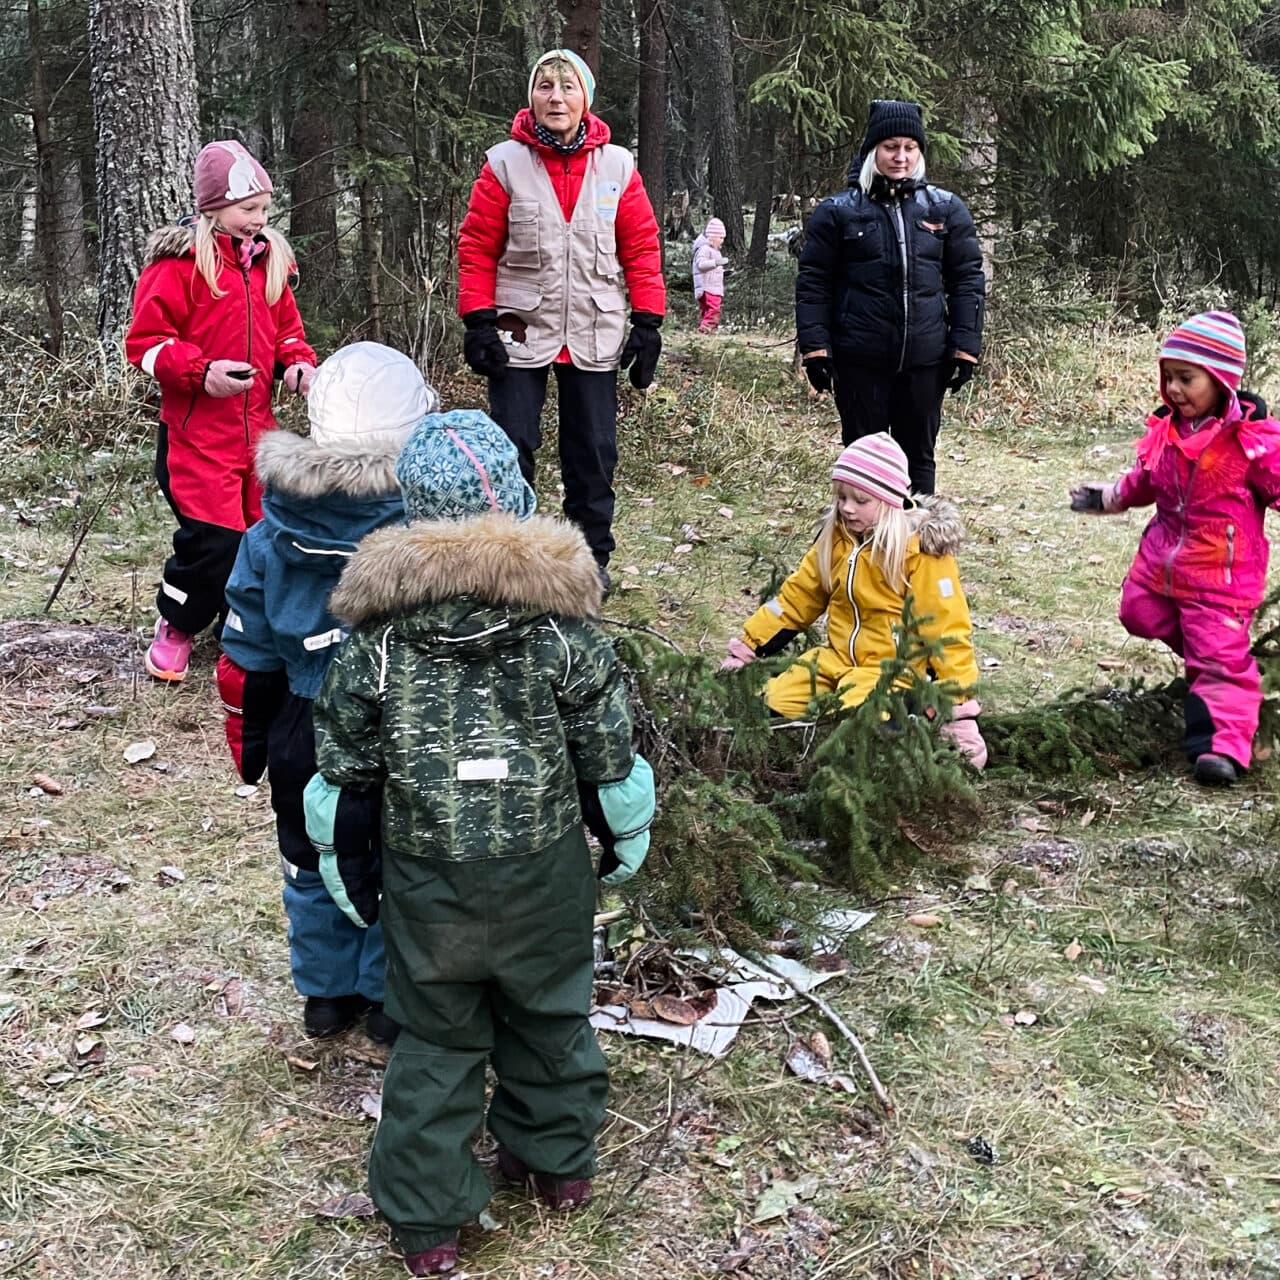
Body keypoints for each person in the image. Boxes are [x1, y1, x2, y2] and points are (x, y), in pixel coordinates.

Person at [302, 410, 656, 1276]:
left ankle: (428, 1223)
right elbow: (610, 755)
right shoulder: (564, 636)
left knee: (436, 1037)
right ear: (523, 501)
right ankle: (555, 1161)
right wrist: (623, 840)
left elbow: (341, 774)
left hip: (432, 885)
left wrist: (352, 878)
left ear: (413, 515)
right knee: (550, 1016)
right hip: (544, 877)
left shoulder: (375, 647)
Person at [217, 343, 437, 1043]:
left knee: (308, 856)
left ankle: (324, 992)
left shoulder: (267, 532)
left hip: (302, 725)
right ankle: (383, 998)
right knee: (396, 860)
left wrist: (248, 735)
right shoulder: (429, 528)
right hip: (401, 725)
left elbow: (245, 646)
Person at [457, 48, 666, 591]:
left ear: (585, 99)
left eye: (568, 87)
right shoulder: (504, 162)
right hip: (518, 329)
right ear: (532, 96)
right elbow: (478, 246)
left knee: (593, 454)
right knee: (512, 446)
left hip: (594, 330)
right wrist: (477, 321)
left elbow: (641, 246)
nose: (556, 97)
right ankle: (511, 564)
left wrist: (648, 320)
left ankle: (587, 564)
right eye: (545, 85)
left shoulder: (617, 165)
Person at [126, 139, 317, 683]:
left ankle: (241, 629)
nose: (259, 221)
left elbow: (288, 335)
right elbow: (145, 344)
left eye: (264, 209)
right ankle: (177, 624)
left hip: (257, 434)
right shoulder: (178, 266)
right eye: (247, 210)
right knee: (214, 540)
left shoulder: (270, 263)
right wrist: (200, 372)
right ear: (213, 208)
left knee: (264, 537)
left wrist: (298, 366)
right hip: (194, 437)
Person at [1070, 310, 1280, 786]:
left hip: (1219, 576)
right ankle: (1221, 662)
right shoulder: (1168, 432)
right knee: (1137, 612)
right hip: (1161, 566)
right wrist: (1105, 498)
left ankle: (1221, 748)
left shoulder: (1252, 443)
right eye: (1169, 378)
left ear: (1222, 380)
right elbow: (1143, 480)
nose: (1175, 389)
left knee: (1216, 655)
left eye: (1187, 379)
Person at [721, 432, 987, 767]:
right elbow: (795, 597)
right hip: (834, 660)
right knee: (771, 703)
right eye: (842, 496)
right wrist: (746, 648)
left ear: (890, 501)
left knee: (862, 723)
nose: (847, 508)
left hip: (892, 673)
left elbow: (947, 633)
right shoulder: (837, 540)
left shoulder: (921, 554)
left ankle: (919, 713)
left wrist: (959, 711)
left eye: (861, 500)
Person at [795, 99, 985, 494]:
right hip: (860, 362)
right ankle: (867, 549)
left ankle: (917, 549)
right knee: (864, 462)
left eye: (909, 148)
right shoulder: (837, 212)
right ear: (872, 151)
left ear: (919, 152)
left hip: (925, 362)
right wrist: (815, 348)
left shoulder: (946, 209)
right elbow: (814, 283)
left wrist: (965, 348)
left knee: (919, 460)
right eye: (891, 146)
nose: (901, 157)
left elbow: (966, 280)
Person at [693, 217, 728, 333]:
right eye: (720, 237)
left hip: (712, 286)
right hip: (708, 287)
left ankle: (706, 327)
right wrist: (716, 263)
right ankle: (706, 328)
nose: (722, 240)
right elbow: (701, 265)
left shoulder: (715, 250)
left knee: (707, 309)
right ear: (712, 236)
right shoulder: (705, 249)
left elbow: (713, 269)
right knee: (714, 308)